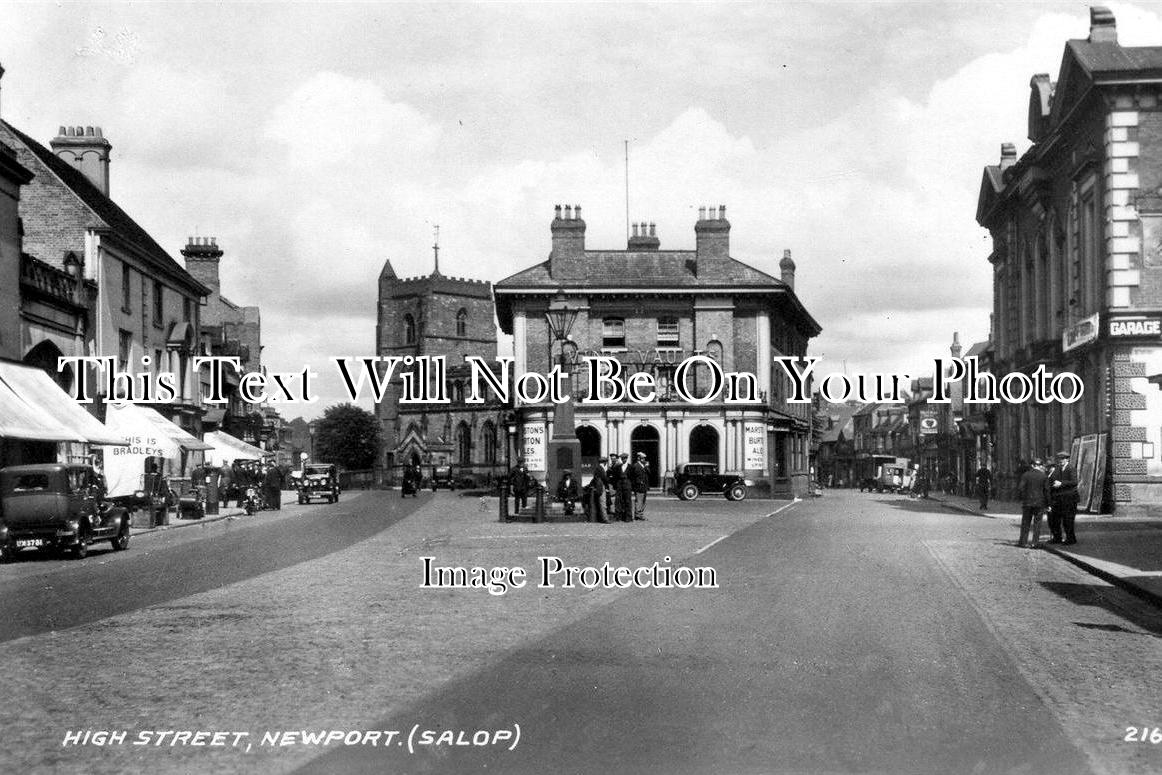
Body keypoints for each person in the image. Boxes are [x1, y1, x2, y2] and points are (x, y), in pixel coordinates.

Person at [1046, 450, 1080, 545]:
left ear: (1067, 459)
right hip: (1060, 499)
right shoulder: (1058, 469)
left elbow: (1074, 482)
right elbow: (1051, 479)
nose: (1061, 461)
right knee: (1056, 519)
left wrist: (1061, 483)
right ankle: (1057, 538)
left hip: (1070, 499)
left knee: (1068, 520)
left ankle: (1071, 539)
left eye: (1063, 459)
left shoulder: (1071, 468)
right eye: (1060, 459)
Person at [1016, 458, 1049, 548]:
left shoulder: (1026, 475)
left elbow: (1020, 488)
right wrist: (1048, 504)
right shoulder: (1043, 476)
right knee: (1037, 524)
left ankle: (1023, 542)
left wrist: (1024, 498)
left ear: (1032, 465)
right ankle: (1035, 543)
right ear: (1040, 466)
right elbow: (1046, 491)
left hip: (1027, 503)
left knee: (1026, 523)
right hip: (1039, 503)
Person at [588, 456, 610, 523]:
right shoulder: (601, 469)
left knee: (601, 503)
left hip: (598, 487)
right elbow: (605, 479)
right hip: (601, 487)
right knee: (603, 503)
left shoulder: (598, 468)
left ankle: (603, 518)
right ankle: (605, 519)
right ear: (604, 463)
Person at [629, 451, 650, 521]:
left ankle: (640, 514)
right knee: (639, 501)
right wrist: (638, 482)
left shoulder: (644, 466)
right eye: (642, 458)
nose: (644, 460)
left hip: (644, 486)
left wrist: (647, 467)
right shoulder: (635, 466)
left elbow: (649, 473)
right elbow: (633, 476)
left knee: (643, 501)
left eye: (644, 458)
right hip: (639, 486)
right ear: (638, 458)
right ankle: (637, 515)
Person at [616, 452, 633, 522]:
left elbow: (632, 477)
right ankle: (620, 517)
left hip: (627, 485)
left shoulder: (630, 467)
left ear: (627, 458)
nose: (623, 460)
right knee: (619, 501)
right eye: (622, 458)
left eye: (625, 458)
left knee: (628, 501)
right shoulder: (618, 467)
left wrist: (631, 486)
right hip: (620, 485)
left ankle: (628, 517)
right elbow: (616, 477)